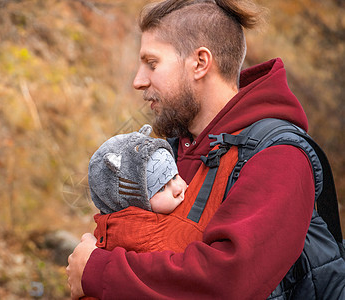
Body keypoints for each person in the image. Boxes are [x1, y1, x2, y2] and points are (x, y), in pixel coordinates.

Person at [67, 0, 345, 299]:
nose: (138, 80)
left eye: (152, 63)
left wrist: (99, 271)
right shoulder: (169, 150)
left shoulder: (279, 156)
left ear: (200, 63)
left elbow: (228, 281)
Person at [88, 124, 215, 253]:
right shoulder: (137, 235)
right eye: (161, 188)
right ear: (134, 201)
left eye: (175, 177)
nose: (177, 189)